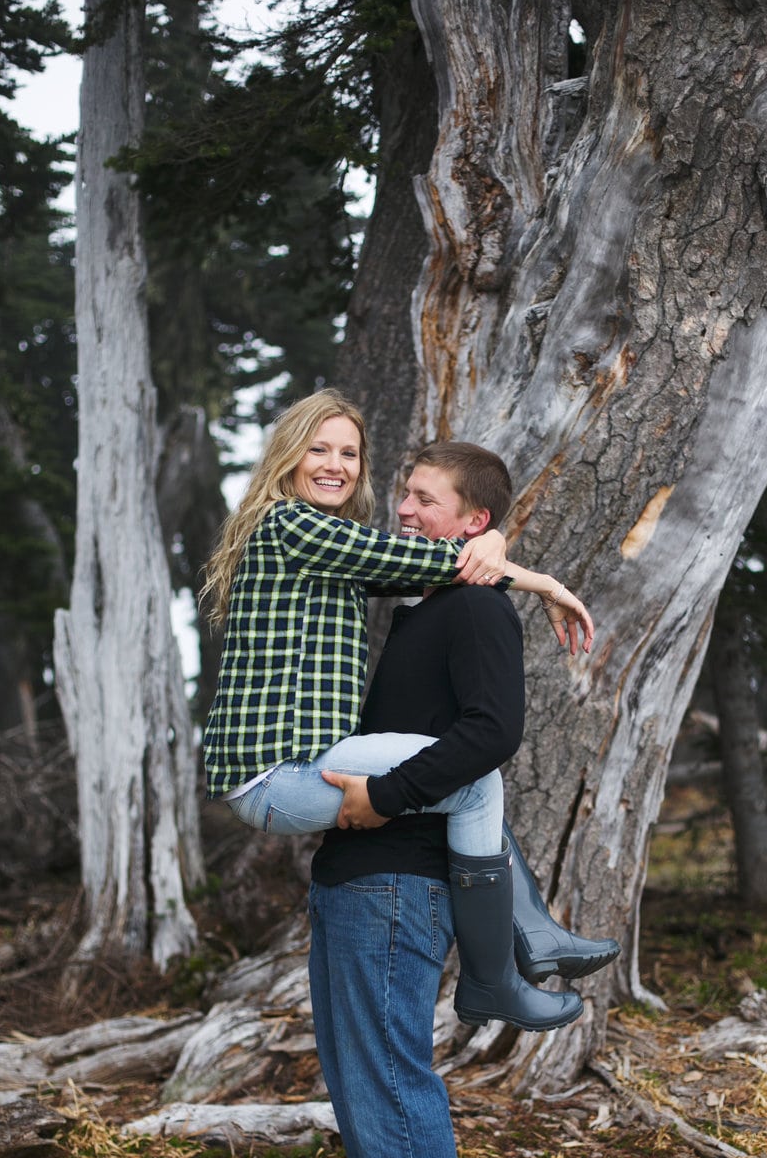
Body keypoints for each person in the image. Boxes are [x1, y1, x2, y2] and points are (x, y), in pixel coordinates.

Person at [309, 441, 621, 1158]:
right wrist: (531, 571)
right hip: (353, 875)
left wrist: (382, 800)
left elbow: (490, 734)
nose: (402, 509)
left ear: (471, 521)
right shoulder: (428, 599)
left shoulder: (475, 614)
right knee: (358, 1082)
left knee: (391, 1083)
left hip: (399, 880)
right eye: (402, 494)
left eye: (421, 497)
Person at [201, 391, 604, 1030]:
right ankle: (497, 972)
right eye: (318, 448)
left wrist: (490, 537)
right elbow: (426, 559)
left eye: (349, 452)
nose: (336, 464)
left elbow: (428, 569)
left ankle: (524, 945)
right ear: (286, 455)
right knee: (473, 782)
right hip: (277, 771)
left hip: (302, 759)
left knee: (466, 773)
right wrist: (544, 581)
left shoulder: (329, 552)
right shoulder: (292, 525)